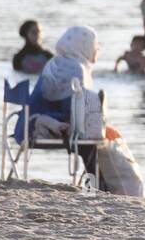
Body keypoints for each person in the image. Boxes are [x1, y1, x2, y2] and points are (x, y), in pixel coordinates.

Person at [14, 25, 102, 178]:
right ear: (83, 45)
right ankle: (97, 182)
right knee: (90, 139)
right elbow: (75, 108)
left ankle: (95, 181)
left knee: (85, 134)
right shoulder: (77, 69)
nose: (96, 49)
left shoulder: (53, 63)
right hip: (44, 129)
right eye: (93, 45)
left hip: (24, 126)